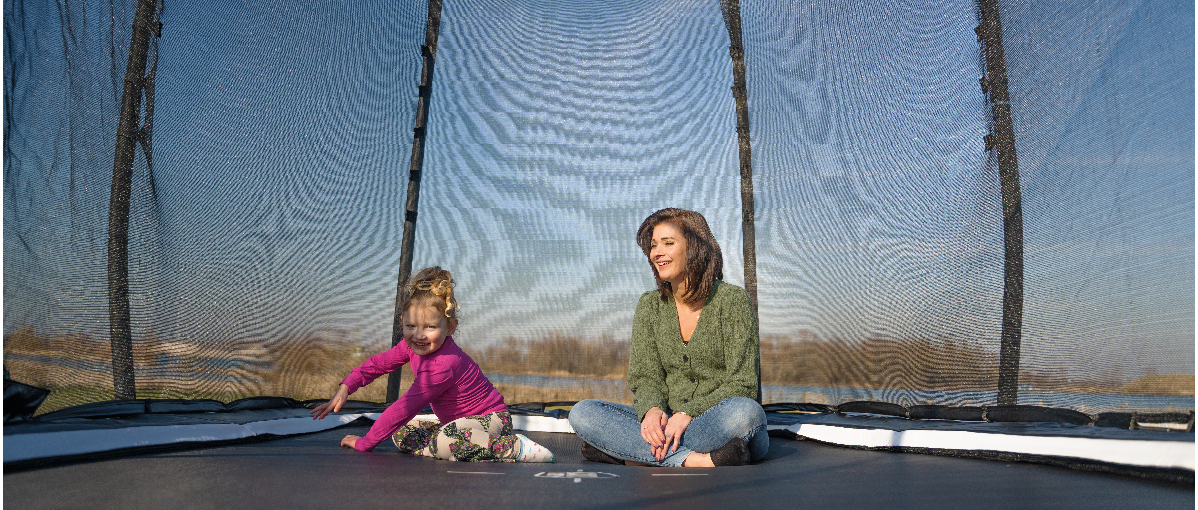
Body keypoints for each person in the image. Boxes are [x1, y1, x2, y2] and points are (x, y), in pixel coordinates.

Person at [569, 208, 768, 467]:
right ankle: (698, 461)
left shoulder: (732, 301)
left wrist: (688, 413)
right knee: (583, 413)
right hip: (670, 424)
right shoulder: (649, 305)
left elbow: (742, 383)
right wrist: (652, 411)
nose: (656, 253)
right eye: (653, 246)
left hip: (716, 422)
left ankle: (631, 456)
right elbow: (646, 376)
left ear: (694, 247)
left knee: (746, 414)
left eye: (668, 243)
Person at [311, 266, 554, 463]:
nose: (419, 335)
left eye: (430, 327)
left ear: (450, 328)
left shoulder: (444, 364)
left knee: (443, 441)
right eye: (411, 326)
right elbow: (378, 364)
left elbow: (404, 407)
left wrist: (365, 443)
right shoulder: (410, 346)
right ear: (402, 323)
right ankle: (448, 446)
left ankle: (512, 447)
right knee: (400, 433)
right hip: (456, 425)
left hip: (491, 421)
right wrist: (346, 386)